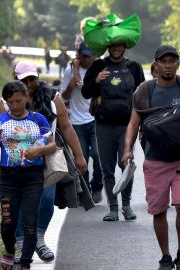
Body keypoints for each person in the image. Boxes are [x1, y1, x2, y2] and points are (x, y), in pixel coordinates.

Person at [122, 45, 180, 270]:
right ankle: (165, 256)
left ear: (178, 64)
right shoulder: (145, 91)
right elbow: (134, 122)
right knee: (159, 210)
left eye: (172, 61)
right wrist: (127, 149)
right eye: (164, 61)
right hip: (155, 158)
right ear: (156, 65)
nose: (168, 65)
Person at [0, 61, 87, 263]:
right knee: (18, 204)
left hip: (47, 159)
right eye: (23, 80)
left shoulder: (52, 98)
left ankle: (39, 239)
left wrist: (79, 155)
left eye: (31, 79)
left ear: (37, 77)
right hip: (14, 162)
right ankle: (20, 243)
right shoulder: (5, 101)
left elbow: (66, 126)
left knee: (46, 200)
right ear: (15, 78)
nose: (28, 83)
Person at [0, 80, 56, 270]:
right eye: (11, 102)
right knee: (8, 223)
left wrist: (39, 150)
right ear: (7, 102)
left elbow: (52, 145)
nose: (15, 106)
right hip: (9, 177)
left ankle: (25, 263)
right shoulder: (0, 122)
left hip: (33, 177)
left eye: (19, 100)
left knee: (30, 222)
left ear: (26, 97)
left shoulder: (38, 120)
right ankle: (9, 249)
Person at [82, 42, 145, 221]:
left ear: (125, 46)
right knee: (107, 168)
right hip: (103, 124)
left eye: (120, 46)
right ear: (108, 46)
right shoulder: (98, 65)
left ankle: (126, 205)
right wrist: (96, 80)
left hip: (128, 125)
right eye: (113, 46)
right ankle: (113, 208)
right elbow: (86, 92)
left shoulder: (134, 67)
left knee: (126, 164)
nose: (116, 49)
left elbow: (143, 96)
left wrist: (143, 125)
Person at [60, 41, 103, 203]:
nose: (86, 59)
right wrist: (72, 85)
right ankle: (85, 192)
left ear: (95, 56)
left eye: (89, 56)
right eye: (83, 56)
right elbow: (63, 97)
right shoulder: (70, 70)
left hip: (96, 119)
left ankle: (97, 186)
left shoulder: (100, 69)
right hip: (77, 121)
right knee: (82, 157)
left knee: (98, 155)